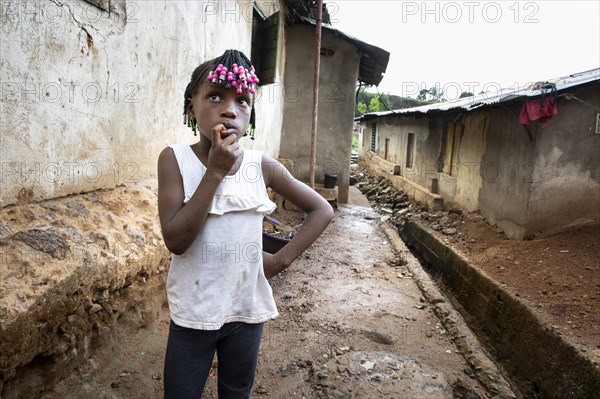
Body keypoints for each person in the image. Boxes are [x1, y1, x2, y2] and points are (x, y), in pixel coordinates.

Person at [157, 49, 334, 399]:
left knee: (237, 391)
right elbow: (176, 241)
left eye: (242, 101)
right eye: (214, 96)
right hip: (193, 314)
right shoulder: (174, 160)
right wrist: (216, 172)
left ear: (250, 115)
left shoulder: (261, 166)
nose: (229, 109)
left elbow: (322, 210)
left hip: (246, 314)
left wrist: (280, 260)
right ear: (191, 106)